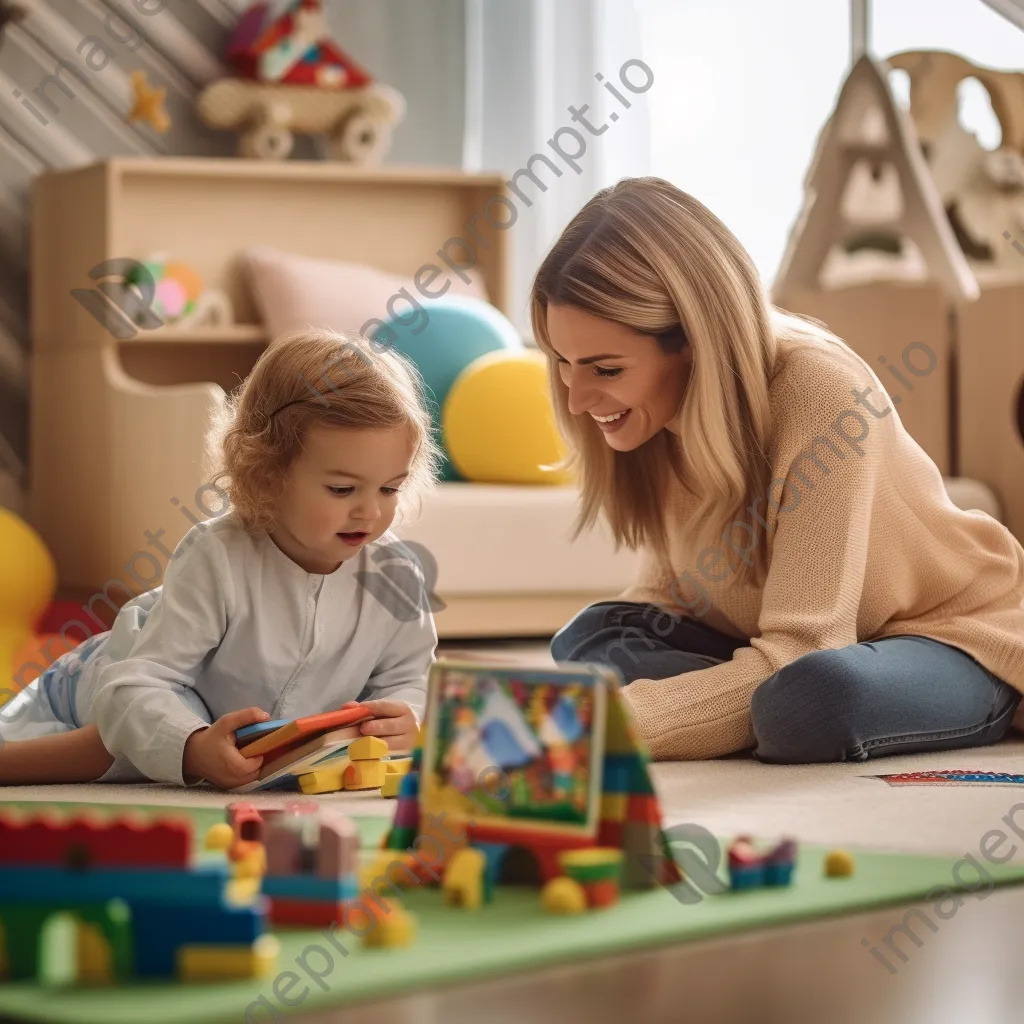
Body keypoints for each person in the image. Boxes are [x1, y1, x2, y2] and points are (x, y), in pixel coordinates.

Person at [535, 176, 1024, 763]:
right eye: (563, 363)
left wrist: (608, 722)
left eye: (605, 370)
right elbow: (669, 597)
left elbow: (803, 649)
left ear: (694, 344)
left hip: (947, 634)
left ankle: (761, 709)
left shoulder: (822, 394)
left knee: (807, 699)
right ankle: (743, 708)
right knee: (597, 638)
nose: (576, 400)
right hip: (799, 646)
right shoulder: (655, 417)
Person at [0, 329, 443, 789]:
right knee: (120, 745)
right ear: (267, 474)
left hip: (228, 721)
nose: (371, 512)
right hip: (116, 676)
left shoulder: (395, 574)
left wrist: (408, 716)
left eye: (390, 488)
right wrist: (191, 746)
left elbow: (413, 679)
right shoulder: (218, 554)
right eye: (342, 489)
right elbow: (137, 685)